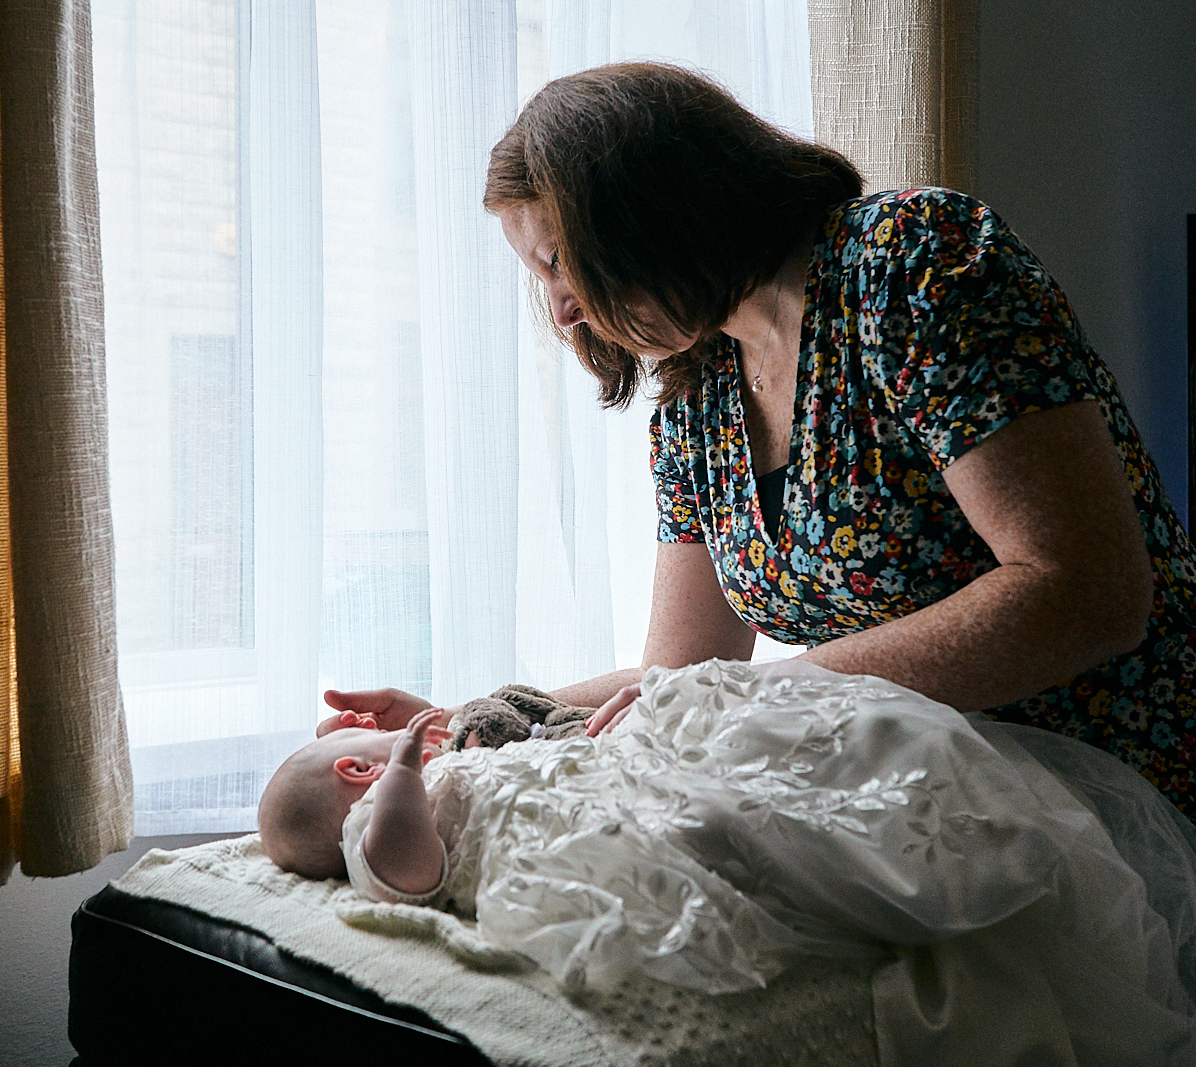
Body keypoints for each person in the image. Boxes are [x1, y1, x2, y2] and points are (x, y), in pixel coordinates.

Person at [325, 61, 1196, 815]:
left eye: (557, 261)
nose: (559, 308)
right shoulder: (695, 414)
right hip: (927, 790)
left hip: (1113, 780)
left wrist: (766, 693)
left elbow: (1089, 592)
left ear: (647, 210)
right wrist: (479, 715)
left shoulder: (914, 263)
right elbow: (678, 681)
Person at [266, 659, 1196, 1064]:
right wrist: (401, 766)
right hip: (574, 826)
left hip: (587, 781)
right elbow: (405, 870)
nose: (558, 302)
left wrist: (445, 728)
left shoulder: (445, 770)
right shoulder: (378, 824)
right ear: (357, 770)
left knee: (709, 767)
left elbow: (511, 741)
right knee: (704, 828)